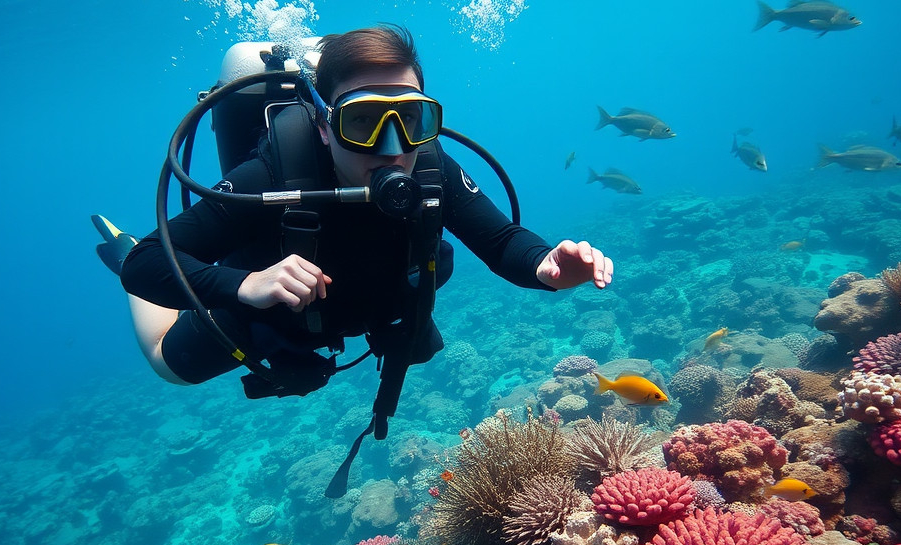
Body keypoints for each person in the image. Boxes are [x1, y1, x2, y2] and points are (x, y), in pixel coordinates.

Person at [96, 24, 612, 410]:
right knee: (169, 365)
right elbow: (144, 265)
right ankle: (116, 243)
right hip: (269, 308)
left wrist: (547, 266)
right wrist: (243, 285)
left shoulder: (430, 168)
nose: (393, 149)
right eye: (362, 121)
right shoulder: (271, 179)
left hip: (368, 306)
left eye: (410, 119)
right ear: (324, 125)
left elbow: (500, 241)